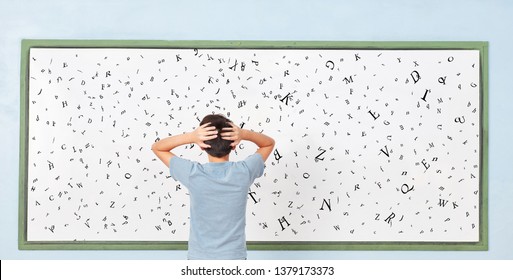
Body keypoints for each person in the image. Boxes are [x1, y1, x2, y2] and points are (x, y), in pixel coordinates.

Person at [151, 114, 275, 260]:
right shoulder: (244, 171)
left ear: (202, 146)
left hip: (199, 258)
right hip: (234, 258)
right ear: (234, 145)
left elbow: (158, 148)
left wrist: (191, 137)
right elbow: (268, 143)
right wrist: (244, 134)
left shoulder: (192, 173)